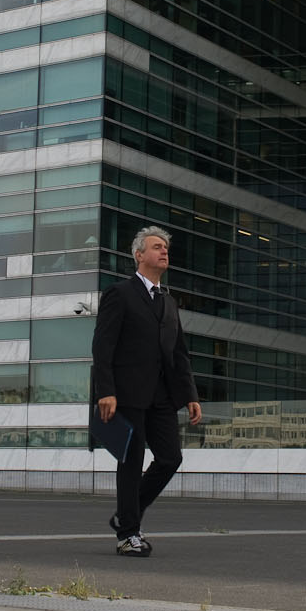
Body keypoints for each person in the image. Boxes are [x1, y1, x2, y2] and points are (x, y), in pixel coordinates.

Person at [91, 226, 202, 557]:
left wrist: (191, 395)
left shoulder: (169, 303)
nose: (164, 251)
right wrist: (105, 391)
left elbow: (178, 353)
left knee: (171, 457)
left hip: (162, 397)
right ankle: (128, 535)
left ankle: (127, 514)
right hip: (126, 395)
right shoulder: (119, 294)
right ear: (139, 255)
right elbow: (103, 345)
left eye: (166, 247)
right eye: (156, 247)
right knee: (131, 461)